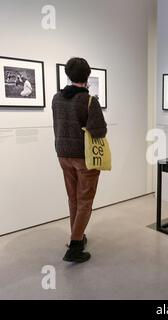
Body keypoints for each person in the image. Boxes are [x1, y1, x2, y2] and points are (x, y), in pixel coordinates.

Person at [52, 57, 107, 263]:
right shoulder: (89, 100)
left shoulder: (56, 98)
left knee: (73, 198)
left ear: (68, 74)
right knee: (85, 200)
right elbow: (99, 131)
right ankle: (75, 246)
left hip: (63, 155)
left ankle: (78, 235)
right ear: (87, 76)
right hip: (84, 158)